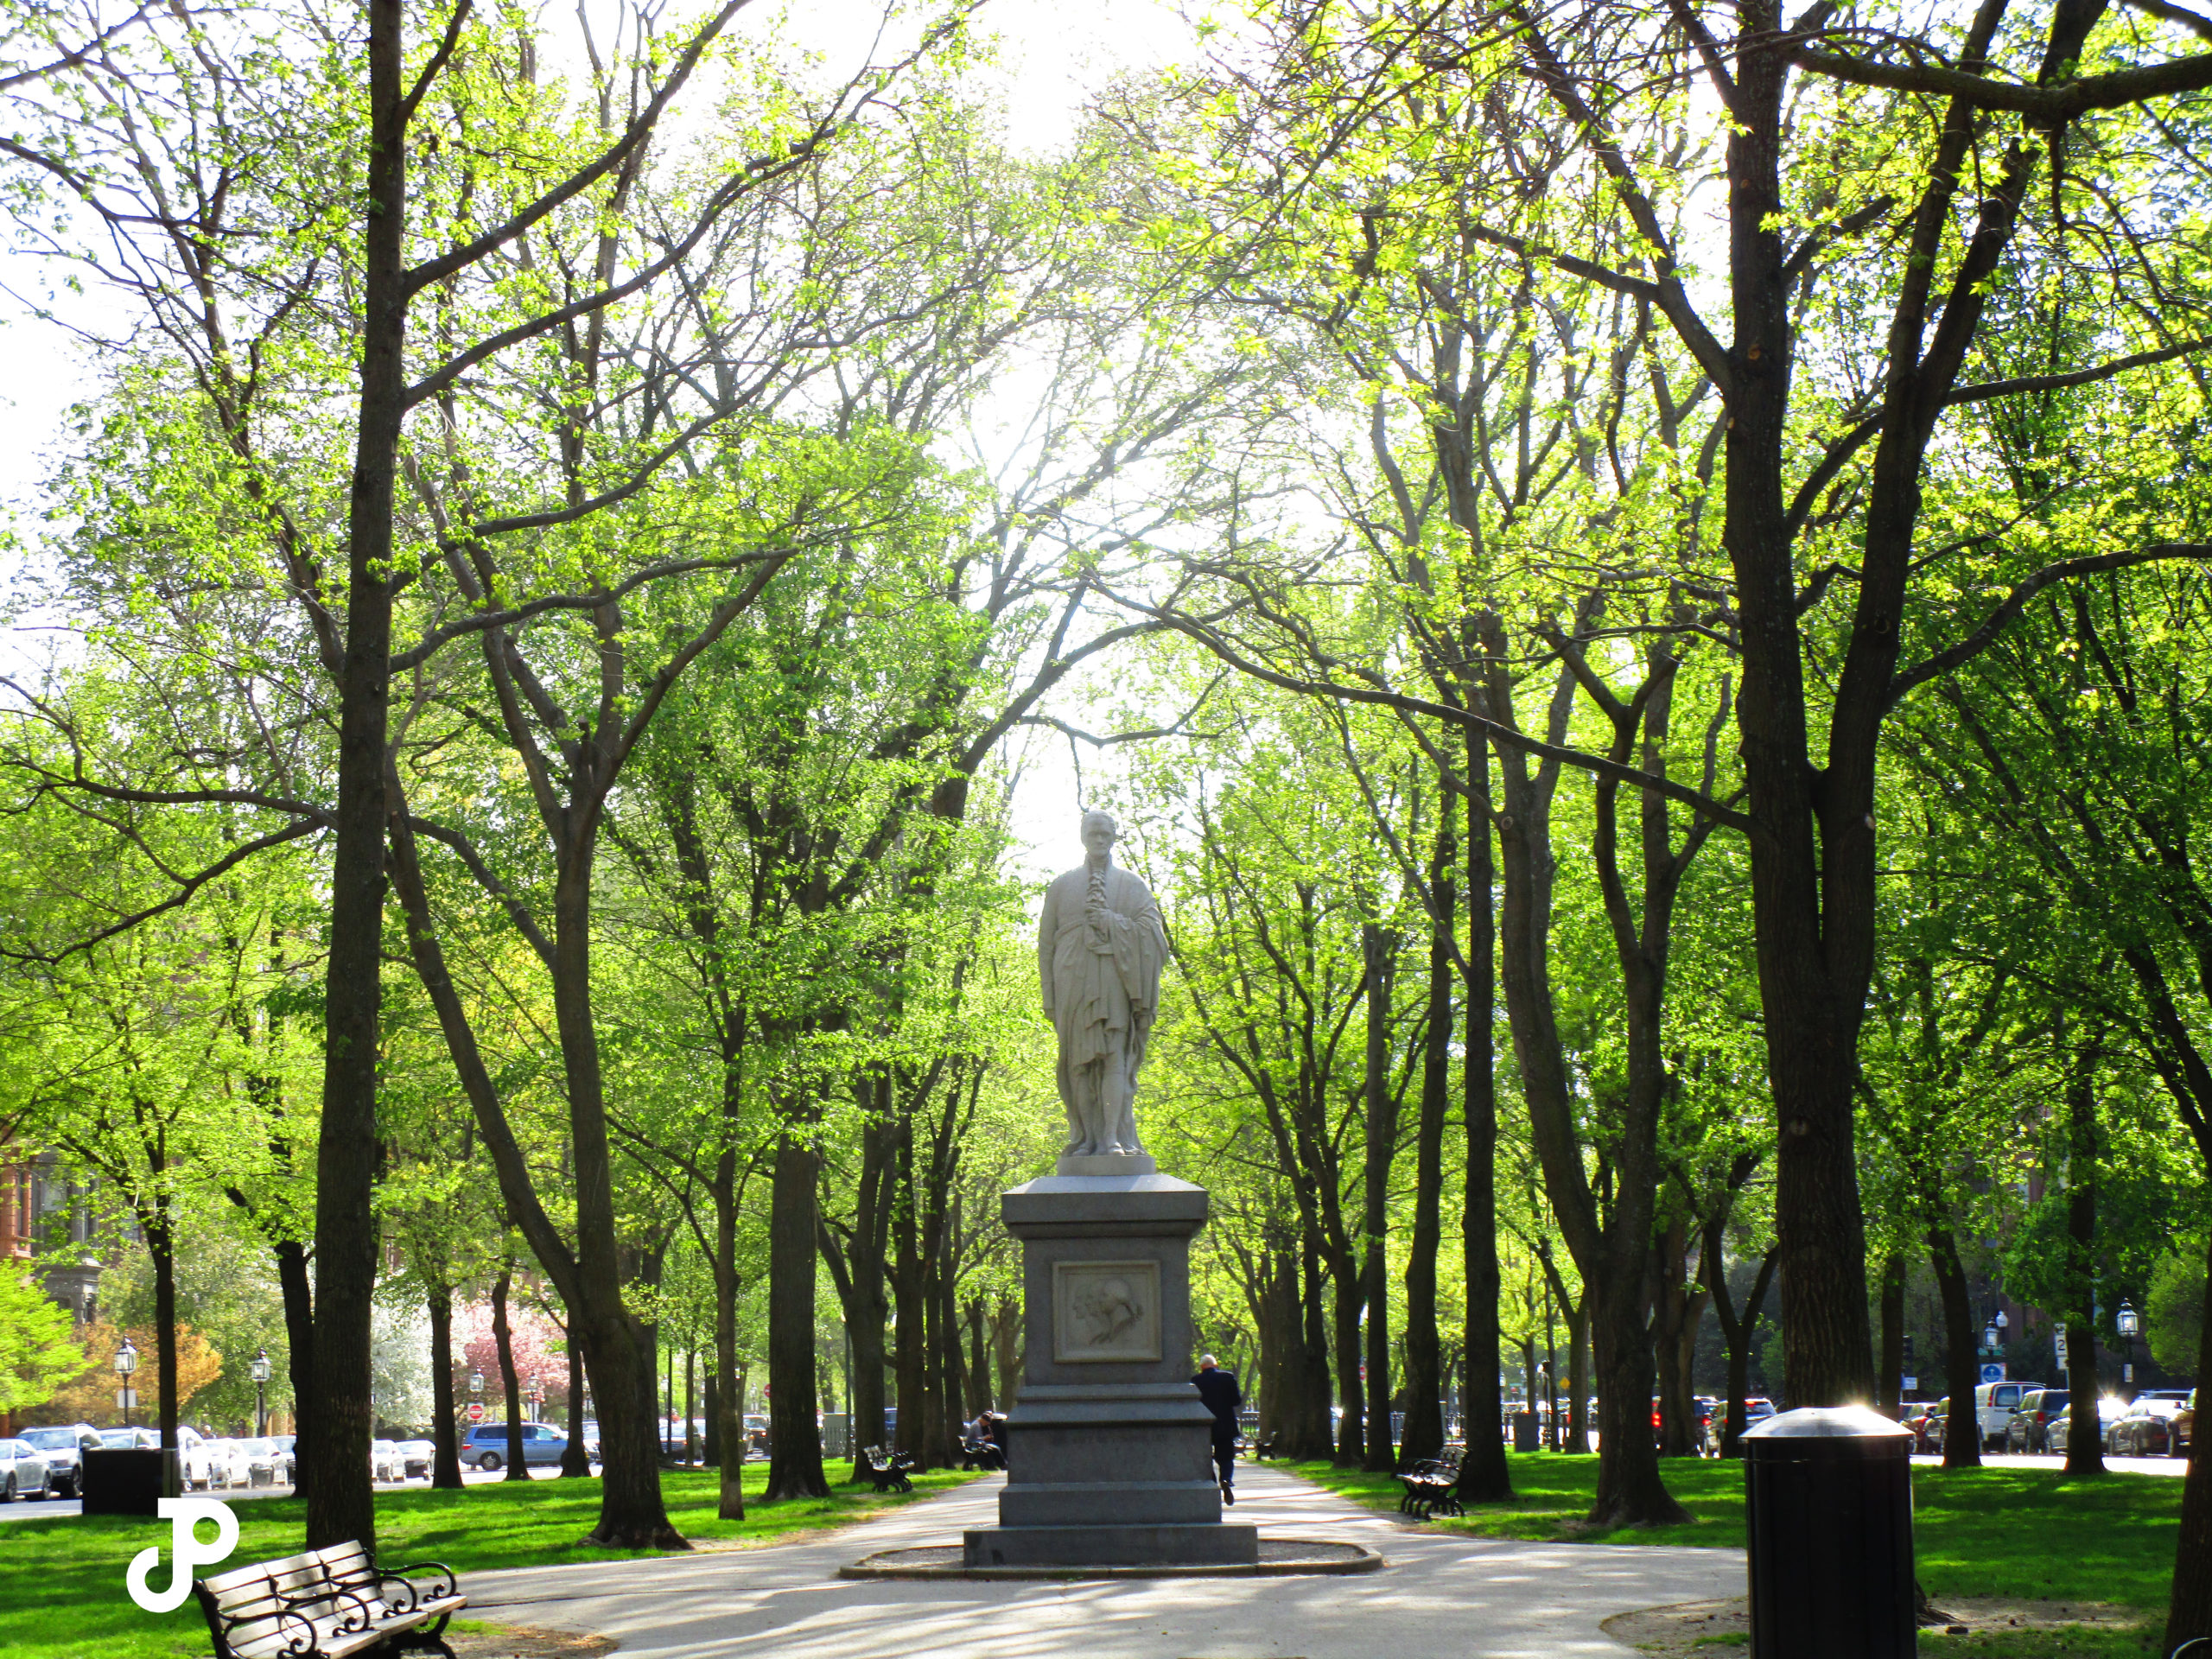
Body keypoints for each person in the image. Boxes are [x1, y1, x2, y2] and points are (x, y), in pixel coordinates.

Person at [1192, 1354, 1243, 1504]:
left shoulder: (1195, 1381)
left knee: (1204, 1456)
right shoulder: (1228, 1377)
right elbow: (1236, 1401)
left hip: (1203, 1425)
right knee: (1226, 1456)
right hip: (1225, 1424)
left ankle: (1212, 1482)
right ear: (1216, 1365)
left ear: (1202, 1367)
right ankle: (1226, 1479)